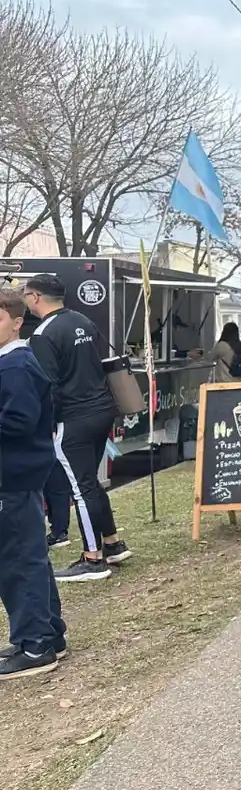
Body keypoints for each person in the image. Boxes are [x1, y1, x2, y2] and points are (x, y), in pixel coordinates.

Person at [24, 273, 131, 581]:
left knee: (80, 489)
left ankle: (93, 559)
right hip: (101, 409)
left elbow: (49, 385)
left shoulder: (43, 334)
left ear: (35, 298)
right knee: (91, 482)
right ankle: (112, 543)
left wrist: (47, 424)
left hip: (73, 418)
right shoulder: (82, 320)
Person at [0, 288, 68, 679]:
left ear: (17, 321)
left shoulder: (15, 366)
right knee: (29, 556)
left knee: (16, 561)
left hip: (13, 476)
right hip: (20, 476)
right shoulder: (13, 364)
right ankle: (48, 633)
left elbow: (19, 422)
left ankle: (35, 644)